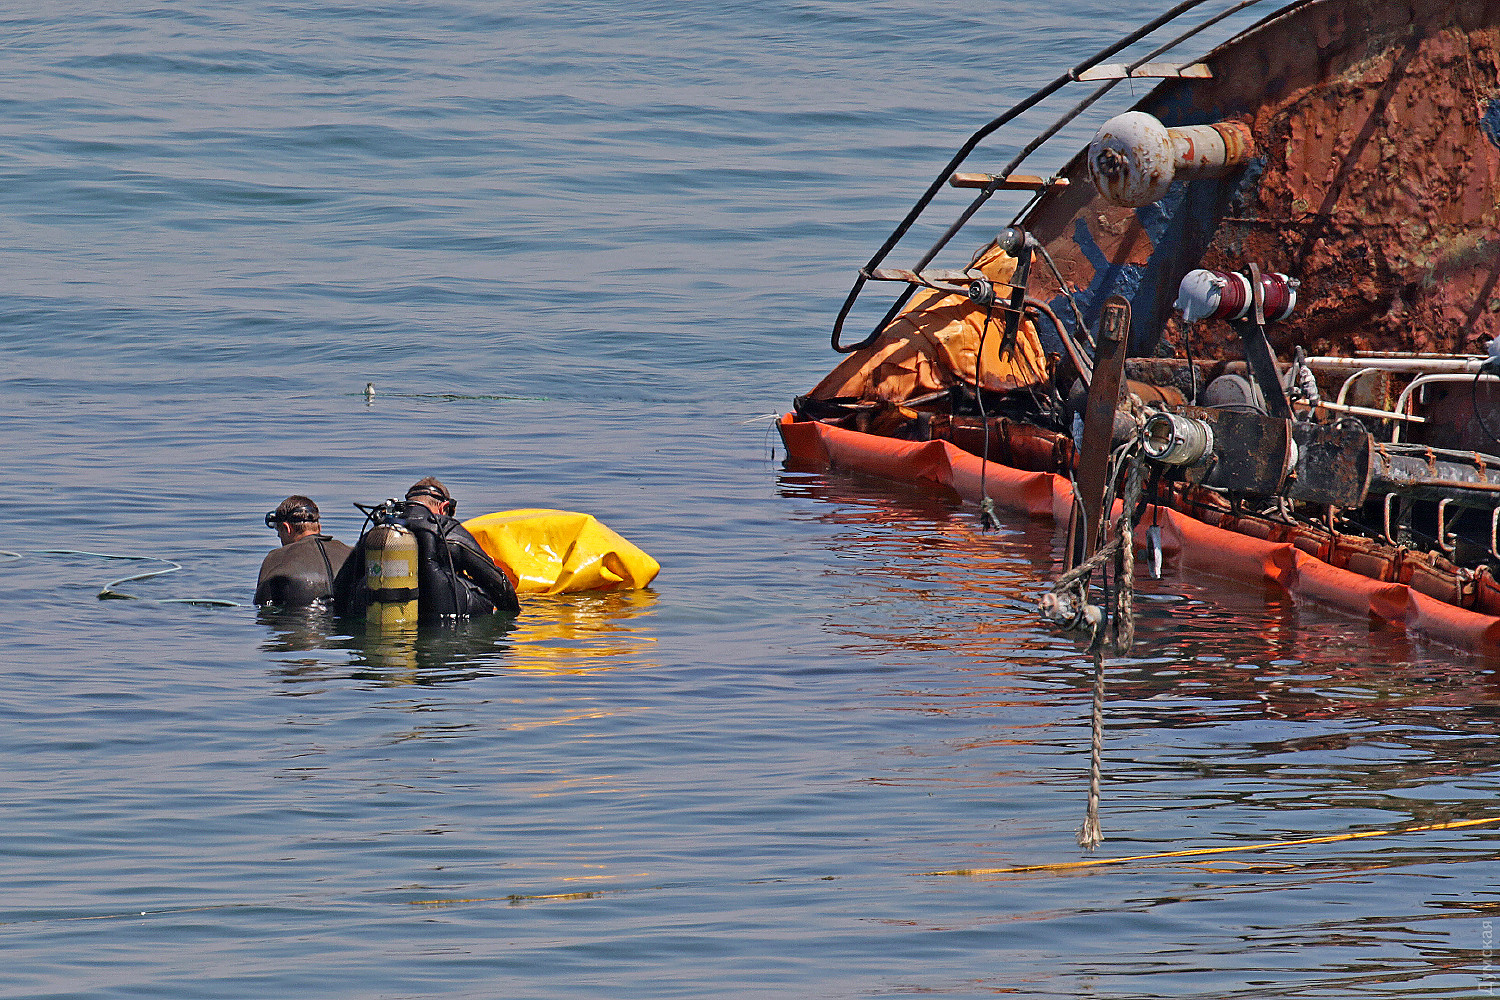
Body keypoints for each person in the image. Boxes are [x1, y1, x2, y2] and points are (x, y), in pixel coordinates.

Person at [333, 477, 520, 621]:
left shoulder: (380, 530)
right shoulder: (447, 529)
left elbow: (341, 588)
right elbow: (497, 583)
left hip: (383, 620)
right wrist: (513, 614)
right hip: (446, 622)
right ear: (445, 507)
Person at [255, 495, 353, 608]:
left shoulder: (275, 559)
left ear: (287, 528)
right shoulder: (352, 553)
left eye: (279, 532)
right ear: (319, 527)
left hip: (299, 621)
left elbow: (262, 609)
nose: (279, 537)